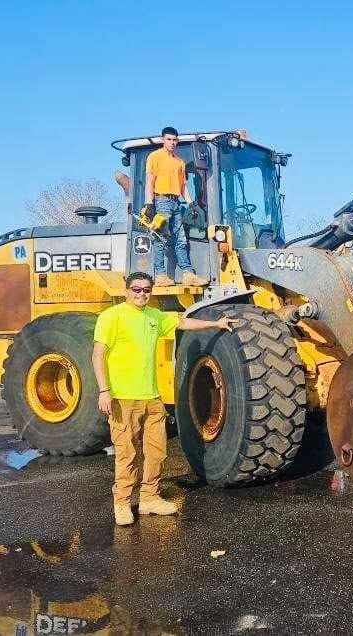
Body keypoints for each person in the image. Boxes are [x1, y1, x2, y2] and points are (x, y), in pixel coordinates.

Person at [92, 271, 239, 526]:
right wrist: (104, 391)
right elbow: (97, 355)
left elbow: (183, 323)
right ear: (127, 290)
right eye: (136, 289)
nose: (141, 294)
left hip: (152, 398)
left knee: (156, 452)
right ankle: (123, 502)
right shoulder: (111, 317)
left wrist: (216, 324)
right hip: (122, 399)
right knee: (127, 454)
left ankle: (150, 497)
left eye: (146, 290)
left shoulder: (154, 317)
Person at [142, 126, 208, 287]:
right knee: (161, 239)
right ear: (163, 140)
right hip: (161, 200)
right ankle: (160, 276)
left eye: (174, 140)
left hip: (176, 202)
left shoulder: (179, 162)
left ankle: (188, 274)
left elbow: (183, 186)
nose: (172, 142)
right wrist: (149, 204)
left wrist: (192, 203)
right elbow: (150, 181)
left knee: (181, 239)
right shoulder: (154, 157)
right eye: (169, 139)